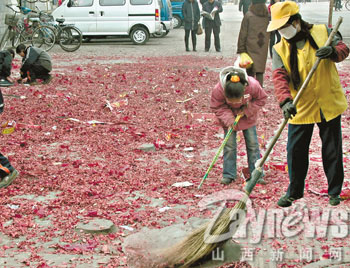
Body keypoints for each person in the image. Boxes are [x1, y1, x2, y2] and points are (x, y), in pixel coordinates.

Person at [267, 1, 349, 207]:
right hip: (300, 106)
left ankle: (334, 192)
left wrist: (332, 51)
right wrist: (285, 101)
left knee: (332, 149)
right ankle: (294, 191)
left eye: (283, 26)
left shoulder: (323, 32)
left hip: (328, 102)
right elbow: (279, 77)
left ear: (296, 21)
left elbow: (343, 48)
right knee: (295, 151)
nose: (281, 31)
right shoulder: (279, 49)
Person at [210, 66, 267, 185]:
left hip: (247, 117)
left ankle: (256, 173)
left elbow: (261, 99)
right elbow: (217, 106)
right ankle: (229, 174)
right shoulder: (219, 89)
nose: (236, 103)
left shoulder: (252, 85)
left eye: (238, 100)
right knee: (229, 146)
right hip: (228, 118)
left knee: (252, 144)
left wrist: (247, 110)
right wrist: (229, 119)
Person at [236, 0, 270, 87]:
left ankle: (250, 91)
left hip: (250, 45)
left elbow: (243, 33)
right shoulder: (267, 16)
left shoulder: (249, 15)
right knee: (260, 71)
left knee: (250, 71)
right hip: (262, 45)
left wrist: (241, 49)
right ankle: (259, 91)